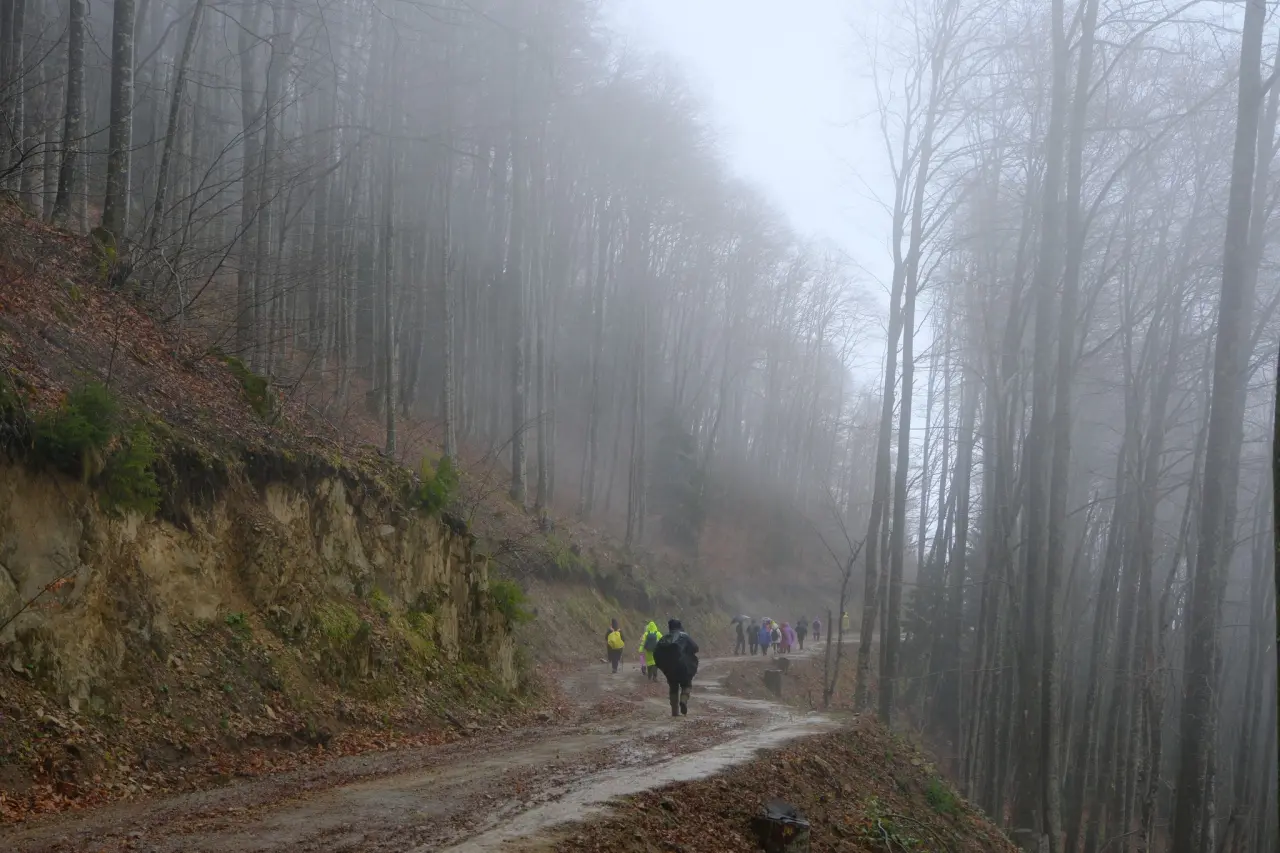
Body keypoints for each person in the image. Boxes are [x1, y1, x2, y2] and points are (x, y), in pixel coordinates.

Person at [652, 618, 699, 717]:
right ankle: (683, 700)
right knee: (686, 685)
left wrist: (662, 666)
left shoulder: (664, 638)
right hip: (683, 667)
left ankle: (674, 712)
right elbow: (695, 648)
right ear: (680, 626)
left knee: (673, 688)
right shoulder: (684, 636)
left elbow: (655, 652)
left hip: (669, 669)